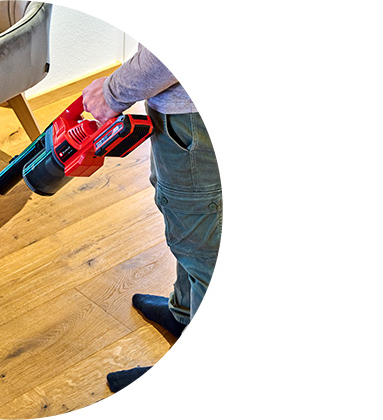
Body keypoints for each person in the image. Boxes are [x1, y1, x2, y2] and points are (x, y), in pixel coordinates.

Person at [82, 43, 222, 392]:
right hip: (179, 110)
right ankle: (185, 315)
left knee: (204, 247)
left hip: (193, 117)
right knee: (187, 220)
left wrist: (113, 91)